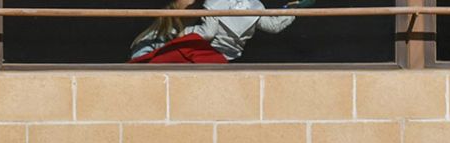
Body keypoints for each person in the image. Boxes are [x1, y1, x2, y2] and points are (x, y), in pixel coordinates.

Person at [130, 0, 314, 64]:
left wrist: (184, 33)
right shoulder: (154, 34)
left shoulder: (215, 4)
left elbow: (207, 33)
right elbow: (274, 25)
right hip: (220, 60)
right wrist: (294, 8)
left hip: (209, 58)